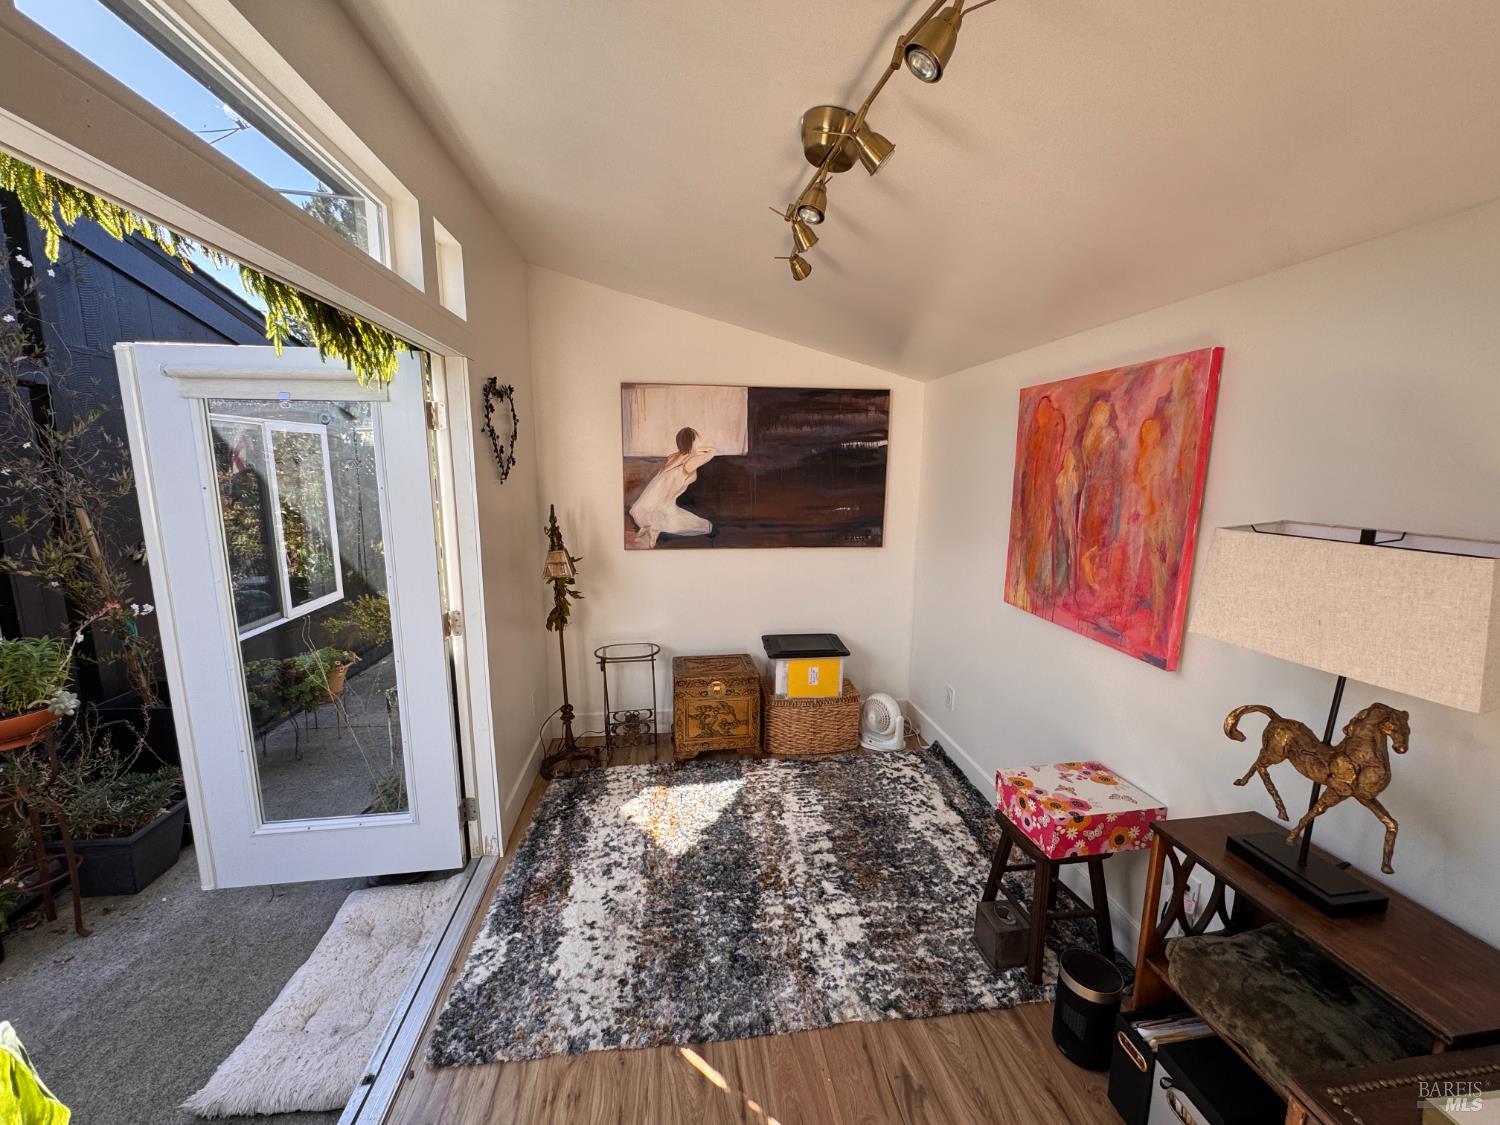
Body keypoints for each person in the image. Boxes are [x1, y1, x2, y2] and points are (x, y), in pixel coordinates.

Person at [629, 426, 716, 548]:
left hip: (642, 508)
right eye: (698, 440)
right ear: (693, 442)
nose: (700, 443)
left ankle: (651, 530)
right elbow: (712, 451)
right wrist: (701, 449)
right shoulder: (689, 462)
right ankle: (652, 530)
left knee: (698, 523)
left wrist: (695, 449)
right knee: (706, 526)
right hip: (659, 510)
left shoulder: (672, 457)